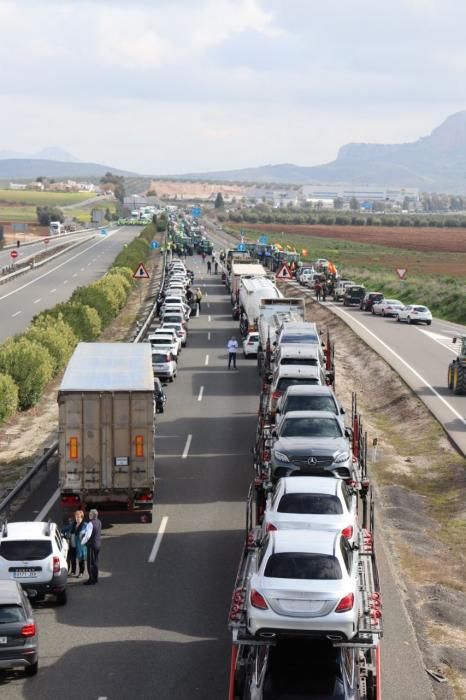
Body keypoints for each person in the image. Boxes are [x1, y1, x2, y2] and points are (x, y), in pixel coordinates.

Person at [62, 510, 87, 577]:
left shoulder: (85, 525)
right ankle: (73, 571)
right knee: (72, 559)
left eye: (78, 517)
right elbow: (64, 529)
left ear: (82, 517)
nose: (77, 518)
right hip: (72, 545)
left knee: (81, 559)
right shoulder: (73, 524)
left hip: (80, 546)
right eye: (76, 517)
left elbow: (87, 535)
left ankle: (81, 572)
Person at [81, 509, 102, 585]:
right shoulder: (99, 522)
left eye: (90, 514)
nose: (89, 515)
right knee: (95, 562)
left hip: (91, 545)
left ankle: (91, 579)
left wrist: (82, 542)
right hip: (98, 544)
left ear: (93, 515)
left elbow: (87, 536)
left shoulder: (90, 523)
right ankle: (95, 578)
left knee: (90, 563)